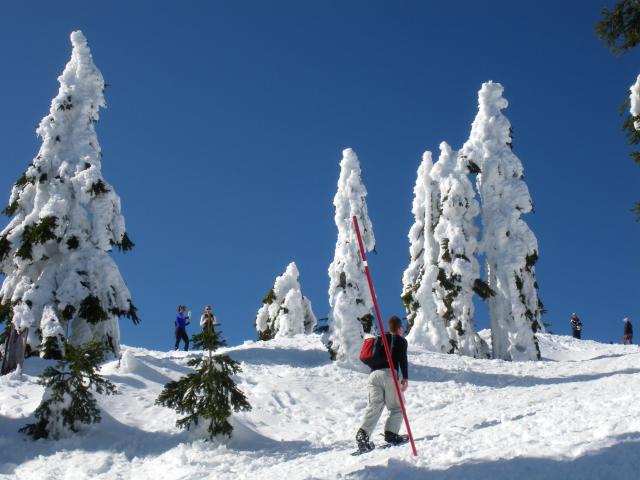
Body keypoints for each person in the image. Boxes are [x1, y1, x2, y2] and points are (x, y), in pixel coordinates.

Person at [356, 315, 409, 453]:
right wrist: (405, 378)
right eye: (402, 329)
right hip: (389, 374)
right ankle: (391, 434)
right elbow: (403, 359)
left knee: (375, 406)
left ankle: (363, 435)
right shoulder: (400, 340)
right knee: (397, 407)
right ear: (399, 329)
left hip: (373, 376)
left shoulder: (380, 340)